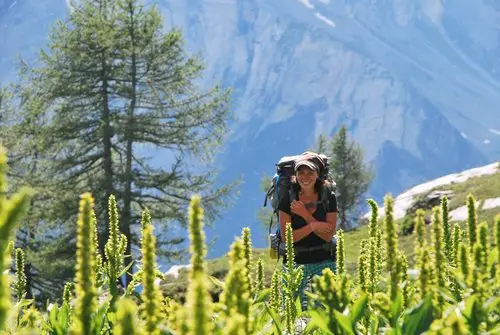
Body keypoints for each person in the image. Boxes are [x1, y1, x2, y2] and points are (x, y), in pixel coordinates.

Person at [277, 152, 338, 309]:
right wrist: (315, 226)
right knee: (294, 314)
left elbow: (328, 236)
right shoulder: (288, 200)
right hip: (295, 264)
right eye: (301, 172)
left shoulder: (328, 197)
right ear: (295, 175)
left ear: (318, 174)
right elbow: (287, 239)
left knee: (326, 312)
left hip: (325, 262)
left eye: (310, 172)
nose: (305, 177)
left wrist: (305, 216)